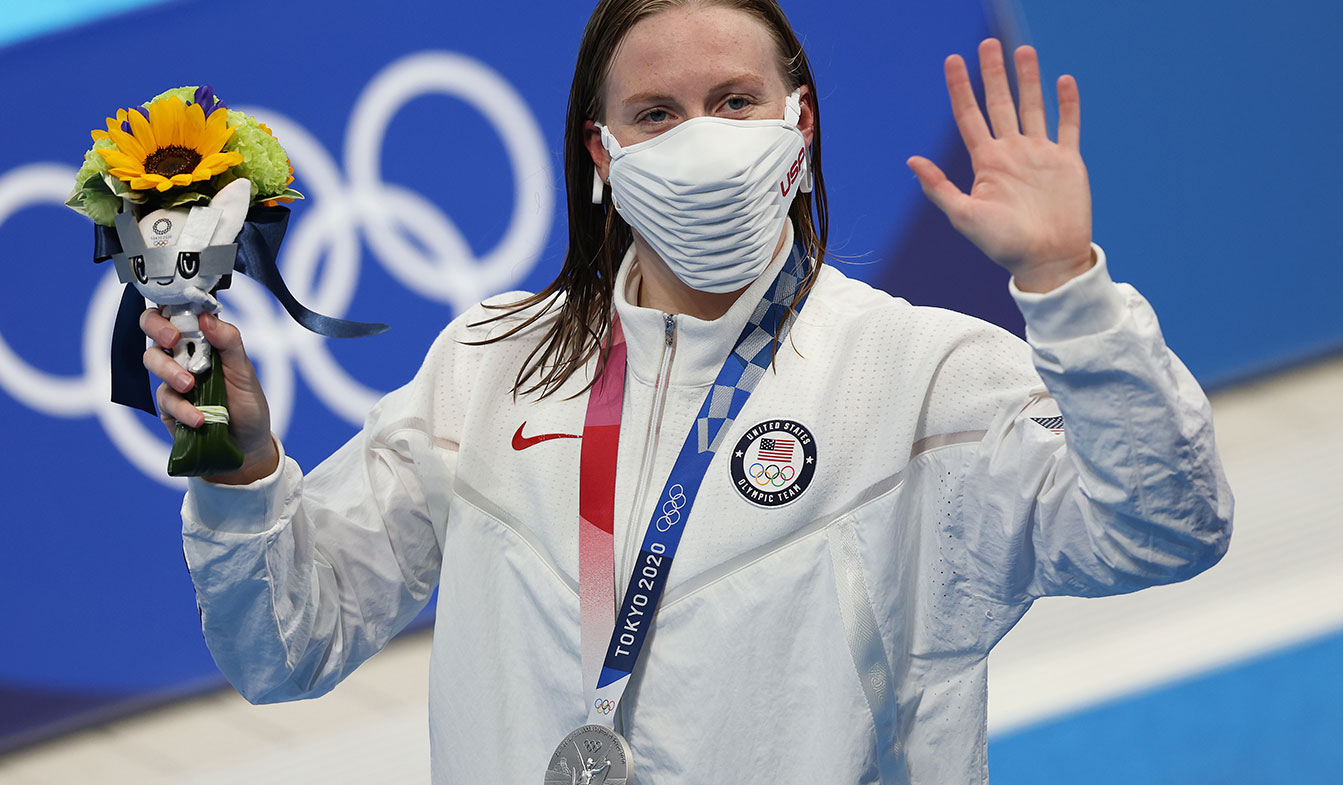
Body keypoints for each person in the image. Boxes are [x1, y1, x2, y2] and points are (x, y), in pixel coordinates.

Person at [141, 0, 1234, 782]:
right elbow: (287, 647)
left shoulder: (923, 374)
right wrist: (239, 478)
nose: (701, 136)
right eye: (657, 113)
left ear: (797, 127)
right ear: (602, 153)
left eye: (734, 99)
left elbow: (1164, 528)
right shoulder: (486, 365)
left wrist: (1066, 287)